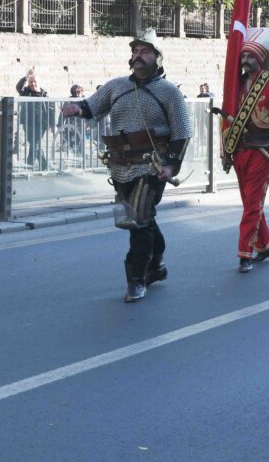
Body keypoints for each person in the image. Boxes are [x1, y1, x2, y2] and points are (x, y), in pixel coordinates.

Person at [61, 29, 192, 302]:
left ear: (157, 57)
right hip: (121, 165)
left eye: (145, 51)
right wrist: (77, 108)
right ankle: (156, 264)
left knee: (138, 218)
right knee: (141, 218)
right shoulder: (116, 86)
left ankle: (136, 279)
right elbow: (92, 106)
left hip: (151, 166)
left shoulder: (169, 92)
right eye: (135, 51)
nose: (138, 56)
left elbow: (181, 131)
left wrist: (171, 166)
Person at [222, 27, 269, 273]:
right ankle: (265, 246)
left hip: (262, 150)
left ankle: (245, 253)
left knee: (252, 203)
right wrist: (226, 150)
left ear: (260, 58)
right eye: (243, 57)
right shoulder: (237, 85)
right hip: (240, 149)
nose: (245, 61)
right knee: (250, 202)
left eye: (250, 56)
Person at [16, 69, 53, 170]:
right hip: (27, 122)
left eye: (35, 81)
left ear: (38, 82)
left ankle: (37, 164)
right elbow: (18, 87)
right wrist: (25, 78)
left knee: (35, 142)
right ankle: (35, 163)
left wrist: (52, 123)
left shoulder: (44, 94)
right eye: (31, 82)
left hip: (41, 123)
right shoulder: (26, 92)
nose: (33, 83)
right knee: (34, 143)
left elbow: (51, 109)